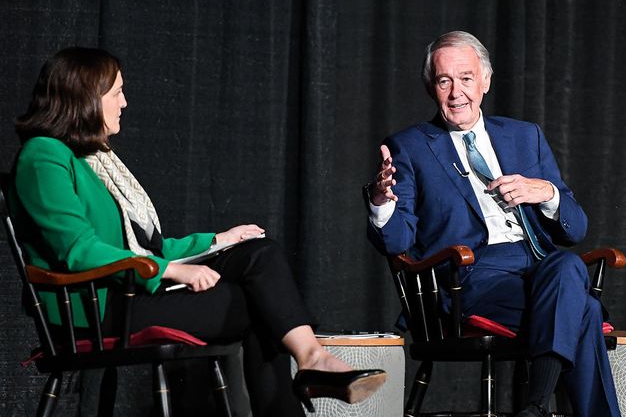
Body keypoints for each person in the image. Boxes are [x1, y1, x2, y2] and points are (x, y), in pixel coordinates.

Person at [9, 47, 385, 415]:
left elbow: (141, 246)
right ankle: (304, 375)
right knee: (257, 304)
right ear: (86, 98)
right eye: (117, 93)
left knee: (259, 251)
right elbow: (80, 250)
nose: (124, 103)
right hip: (96, 308)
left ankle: (312, 358)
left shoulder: (96, 160)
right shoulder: (43, 156)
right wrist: (170, 269)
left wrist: (219, 240)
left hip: (128, 291)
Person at [365, 31, 619, 417]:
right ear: (430, 87)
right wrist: (382, 202)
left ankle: (533, 406)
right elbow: (397, 240)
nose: (456, 93)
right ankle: (537, 405)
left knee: (567, 263)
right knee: (582, 310)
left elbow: (575, 229)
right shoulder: (411, 146)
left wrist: (546, 193)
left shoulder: (524, 136)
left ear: (485, 80)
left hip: (541, 268)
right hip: (472, 277)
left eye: (466, 78)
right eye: (444, 80)